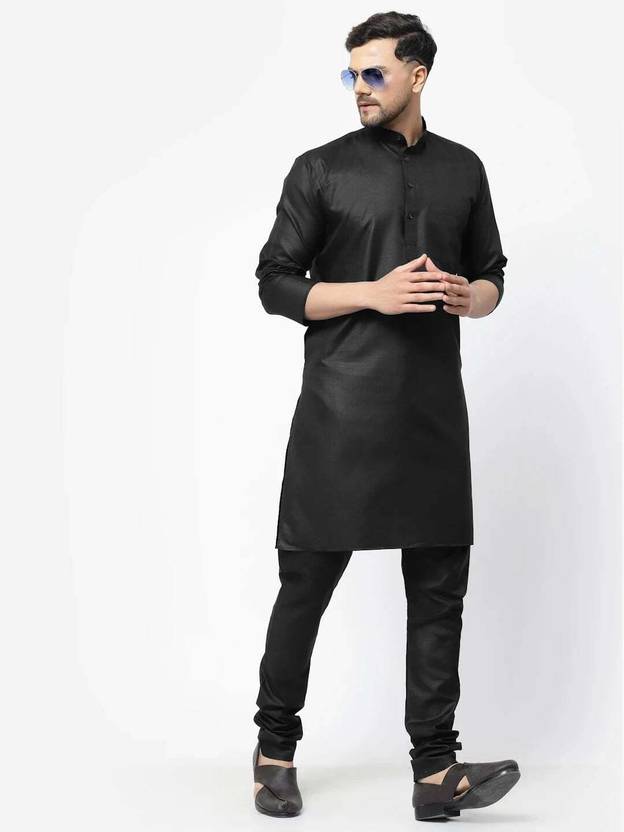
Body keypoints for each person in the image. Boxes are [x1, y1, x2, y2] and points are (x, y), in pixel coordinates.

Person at [251, 11, 520, 821]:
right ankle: (273, 752)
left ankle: (436, 771)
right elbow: (274, 282)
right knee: (305, 585)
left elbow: (493, 274)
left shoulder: (463, 169)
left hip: (432, 413)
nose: (360, 87)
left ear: (418, 75)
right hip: (340, 412)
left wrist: (470, 297)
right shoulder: (321, 169)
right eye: (352, 74)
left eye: (374, 73)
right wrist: (374, 292)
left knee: (440, 589)